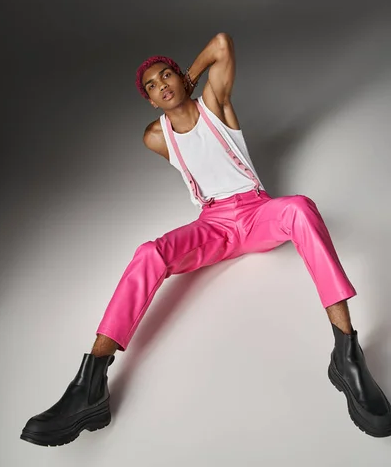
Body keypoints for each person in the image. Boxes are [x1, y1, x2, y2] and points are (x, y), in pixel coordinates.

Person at [20, 33, 391, 446]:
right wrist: (175, 90)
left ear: (180, 78)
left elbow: (220, 44)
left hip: (255, 214)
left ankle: (346, 354)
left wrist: (192, 75)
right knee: (150, 253)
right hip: (213, 225)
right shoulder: (155, 137)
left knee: (300, 208)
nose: (163, 85)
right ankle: (90, 383)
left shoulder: (215, 104)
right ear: (151, 100)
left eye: (168, 76)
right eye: (153, 86)